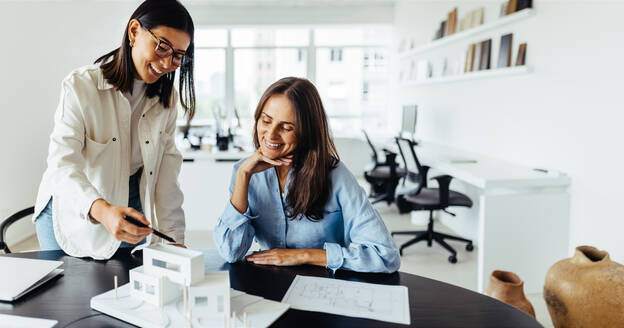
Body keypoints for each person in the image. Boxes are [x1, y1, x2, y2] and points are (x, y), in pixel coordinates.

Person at [33, 0, 195, 259]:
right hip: (73, 205)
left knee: (120, 290)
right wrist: (102, 210)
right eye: (162, 46)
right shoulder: (81, 87)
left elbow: (167, 175)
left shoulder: (167, 100)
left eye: (178, 55)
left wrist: (173, 239)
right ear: (134, 32)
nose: (167, 63)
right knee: (69, 296)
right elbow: (62, 166)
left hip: (128, 203)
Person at [214, 77, 400, 273]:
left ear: (306, 131)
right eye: (266, 121)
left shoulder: (336, 176)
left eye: (286, 127)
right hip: (269, 284)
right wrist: (243, 175)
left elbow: (385, 256)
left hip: (322, 283)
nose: (270, 135)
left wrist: (304, 255)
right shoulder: (245, 171)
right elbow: (230, 251)